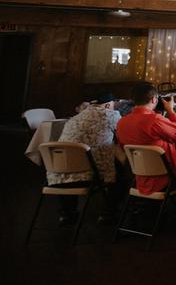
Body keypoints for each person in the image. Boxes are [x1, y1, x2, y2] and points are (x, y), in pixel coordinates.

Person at [116, 84, 176, 195]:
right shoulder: (154, 120)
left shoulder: (121, 122)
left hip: (139, 178)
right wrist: (171, 110)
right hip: (167, 178)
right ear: (154, 99)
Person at [47, 94, 123, 224]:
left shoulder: (74, 118)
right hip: (90, 175)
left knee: (70, 166)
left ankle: (67, 214)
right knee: (121, 170)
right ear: (108, 105)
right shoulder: (111, 115)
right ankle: (108, 214)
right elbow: (123, 133)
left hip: (59, 175)